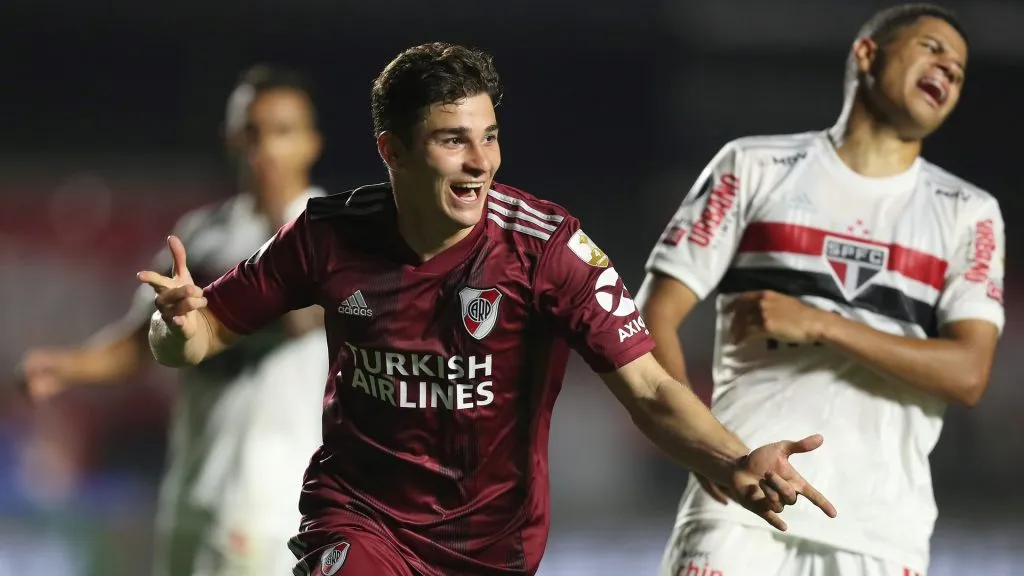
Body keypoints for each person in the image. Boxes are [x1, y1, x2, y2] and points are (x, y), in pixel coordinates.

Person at [139, 42, 836, 576]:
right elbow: (196, 340)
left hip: (490, 546)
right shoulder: (326, 236)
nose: (481, 162)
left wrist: (732, 458)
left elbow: (650, 387)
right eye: (453, 140)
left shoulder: (548, 249)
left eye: (489, 136)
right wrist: (172, 324)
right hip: (359, 520)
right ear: (393, 150)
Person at [638, 4, 1004, 576]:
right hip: (739, 509)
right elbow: (649, 319)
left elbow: (968, 373)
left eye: (959, 67)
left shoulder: (970, 214)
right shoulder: (753, 166)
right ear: (867, 54)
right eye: (932, 47)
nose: (950, 69)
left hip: (882, 532)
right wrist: (709, 452)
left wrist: (820, 323)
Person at [18, 65, 329, 576]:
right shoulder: (202, 234)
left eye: (282, 131)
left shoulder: (328, 230)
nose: (266, 148)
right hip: (190, 494)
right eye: (252, 132)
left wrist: (210, 317)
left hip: (273, 503)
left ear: (310, 143)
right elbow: (140, 342)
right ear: (230, 138)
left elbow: (306, 315)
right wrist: (69, 366)